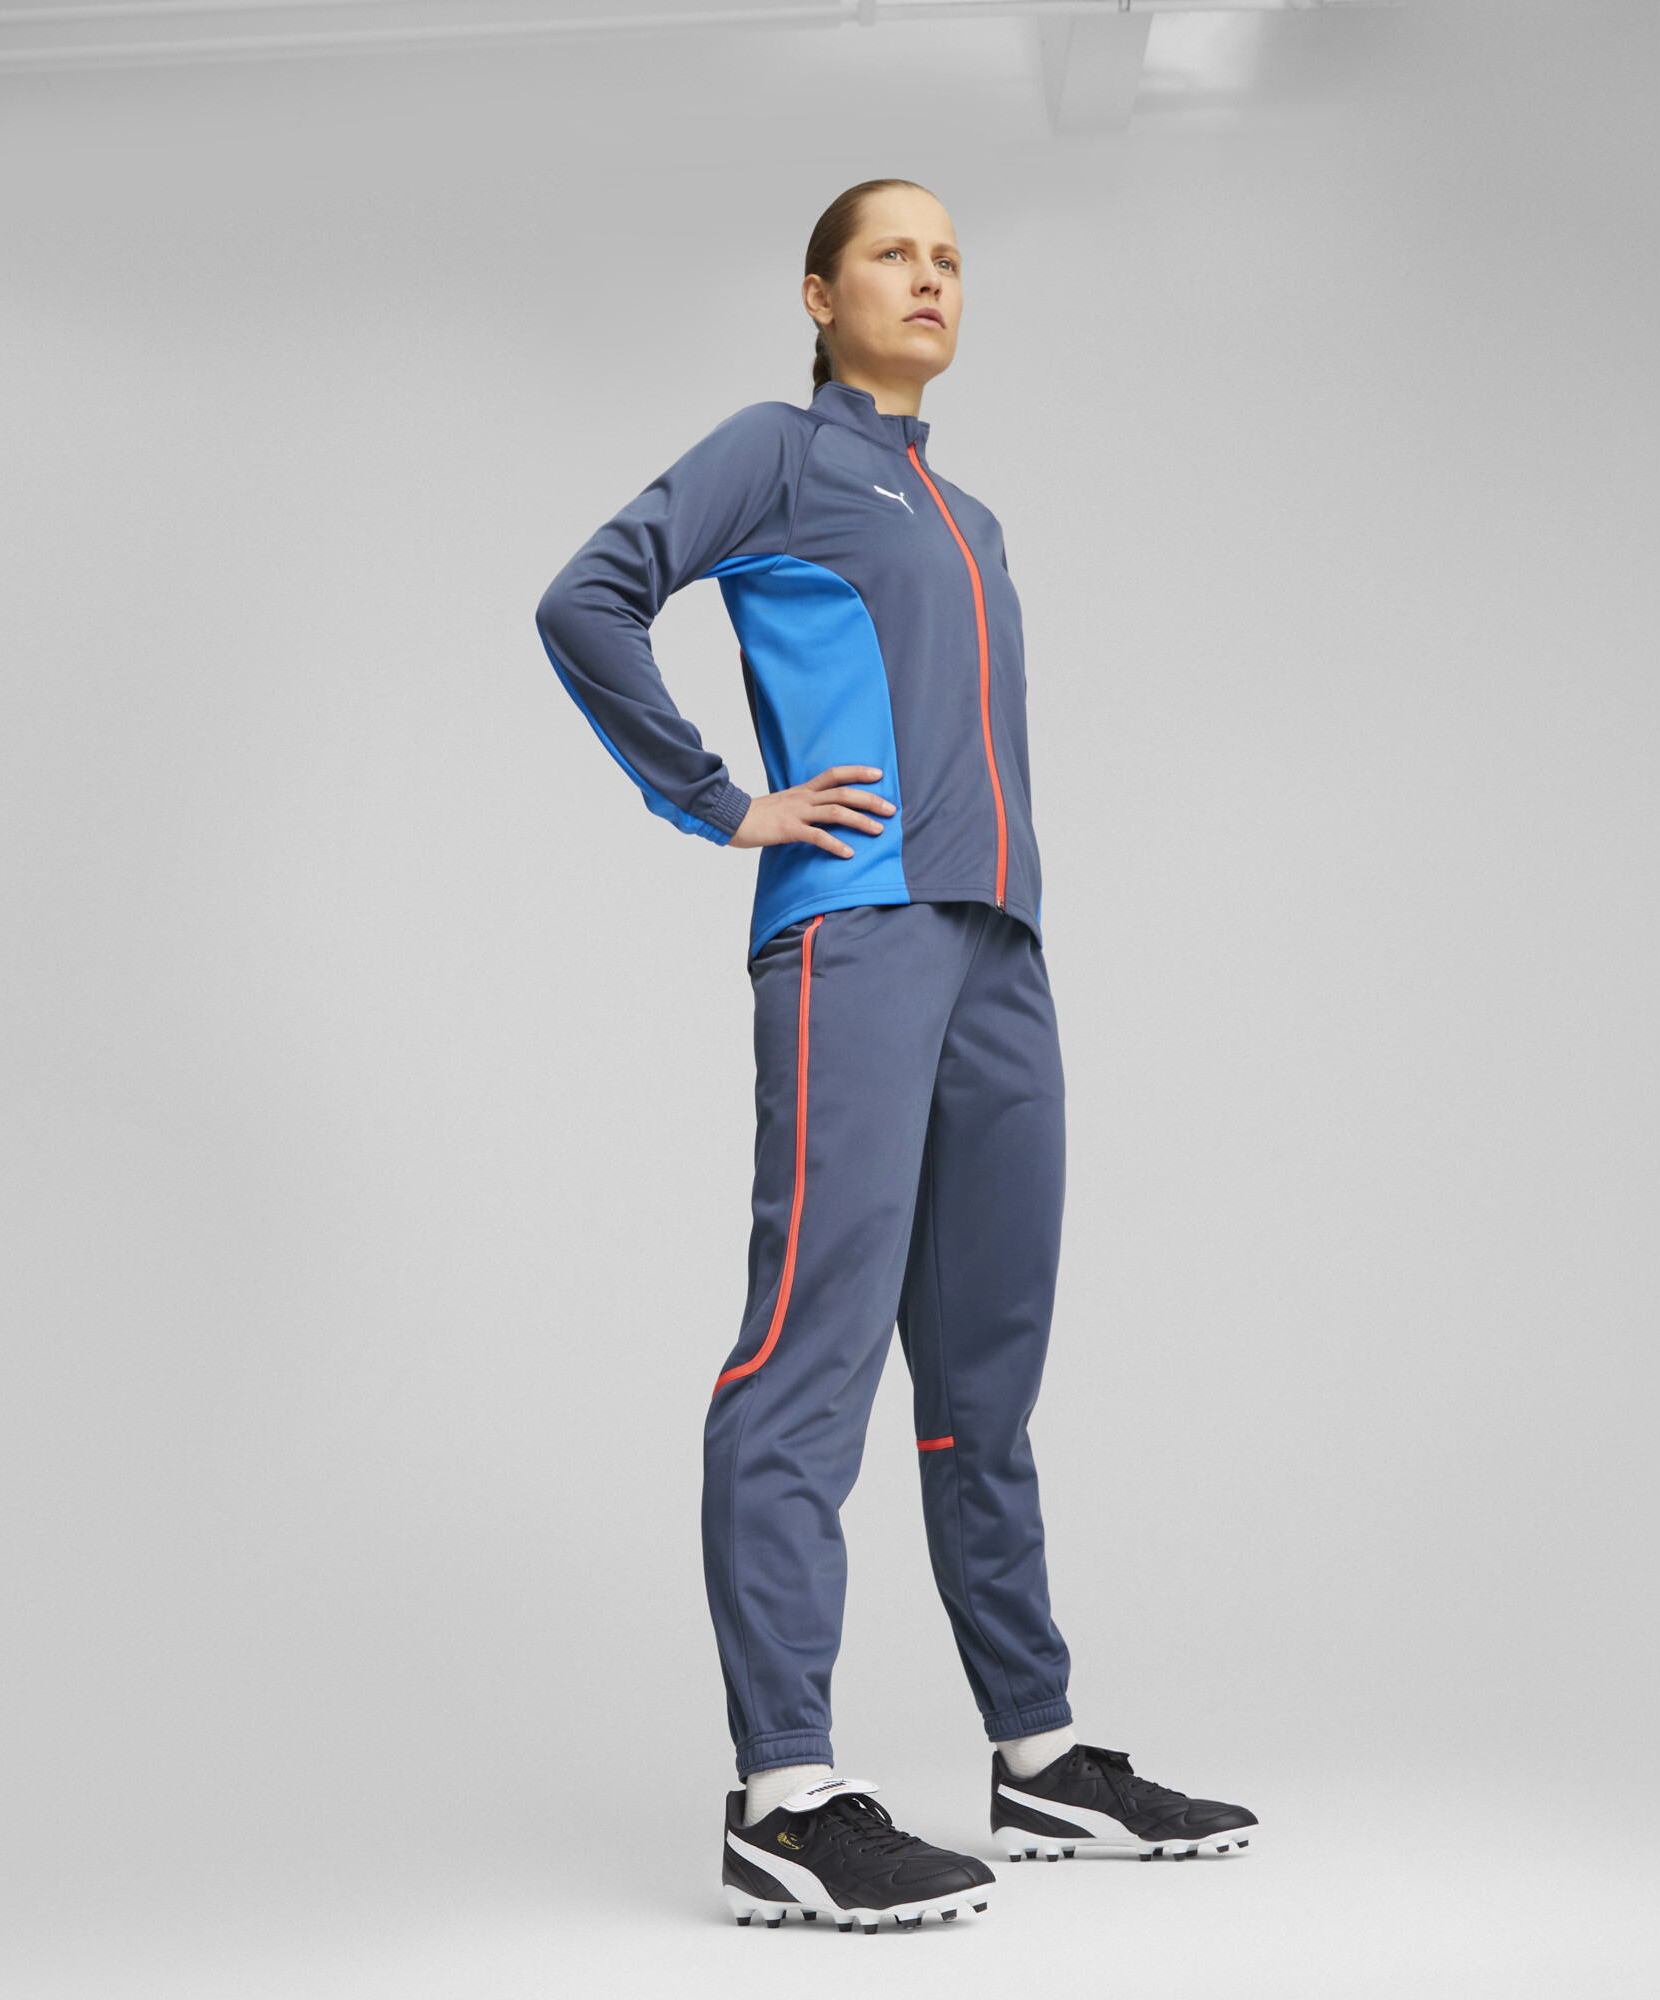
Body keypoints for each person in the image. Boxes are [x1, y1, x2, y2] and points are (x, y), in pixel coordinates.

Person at [535, 179, 1255, 1932]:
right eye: (891, 253)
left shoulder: (970, 514)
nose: (929, 277)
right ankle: (785, 1796)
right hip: (853, 936)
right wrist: (722, 802)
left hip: (1000, 951)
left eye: (949, 259)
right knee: (811, 1351)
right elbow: (587, 599)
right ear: (818, 291)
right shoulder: (777, 454)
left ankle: (1040, 1755)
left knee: (984, 1381)